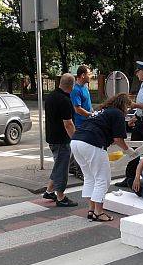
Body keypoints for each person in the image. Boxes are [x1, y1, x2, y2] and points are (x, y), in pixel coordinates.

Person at [71, 93, 137, 221]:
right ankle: (98, 212)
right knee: (103, 179)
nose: (128, 110)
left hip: (76, 141)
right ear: (123, 105)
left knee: (90, 177)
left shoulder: (101, 111)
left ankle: (91, 210)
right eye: (128, 107)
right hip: (92, 143)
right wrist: (129, 151)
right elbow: (118, 139)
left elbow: (107, 132)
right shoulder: (118, 113)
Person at [42, 73, 79, 207]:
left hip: (52, 137)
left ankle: (49, 191)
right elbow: (68, 124)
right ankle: (61, 197)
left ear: (60, 83)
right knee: (62, 168)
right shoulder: (65, 100)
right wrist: (76, 139)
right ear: (72, 86)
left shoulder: (51, 96)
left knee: (59, 165)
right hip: (62, 140)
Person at [69, 65, 93, 178]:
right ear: (83, 75)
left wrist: (92, 112)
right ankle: (79, 171)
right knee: (81, 148)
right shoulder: (76, 90)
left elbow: (88, 104)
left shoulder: (85, 88)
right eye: (89, 74)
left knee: (78, 147)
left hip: (86, 122)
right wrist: (90, 115)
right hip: (80, 123)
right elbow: (77, 109)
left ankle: (71, 167)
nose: (91, 76)